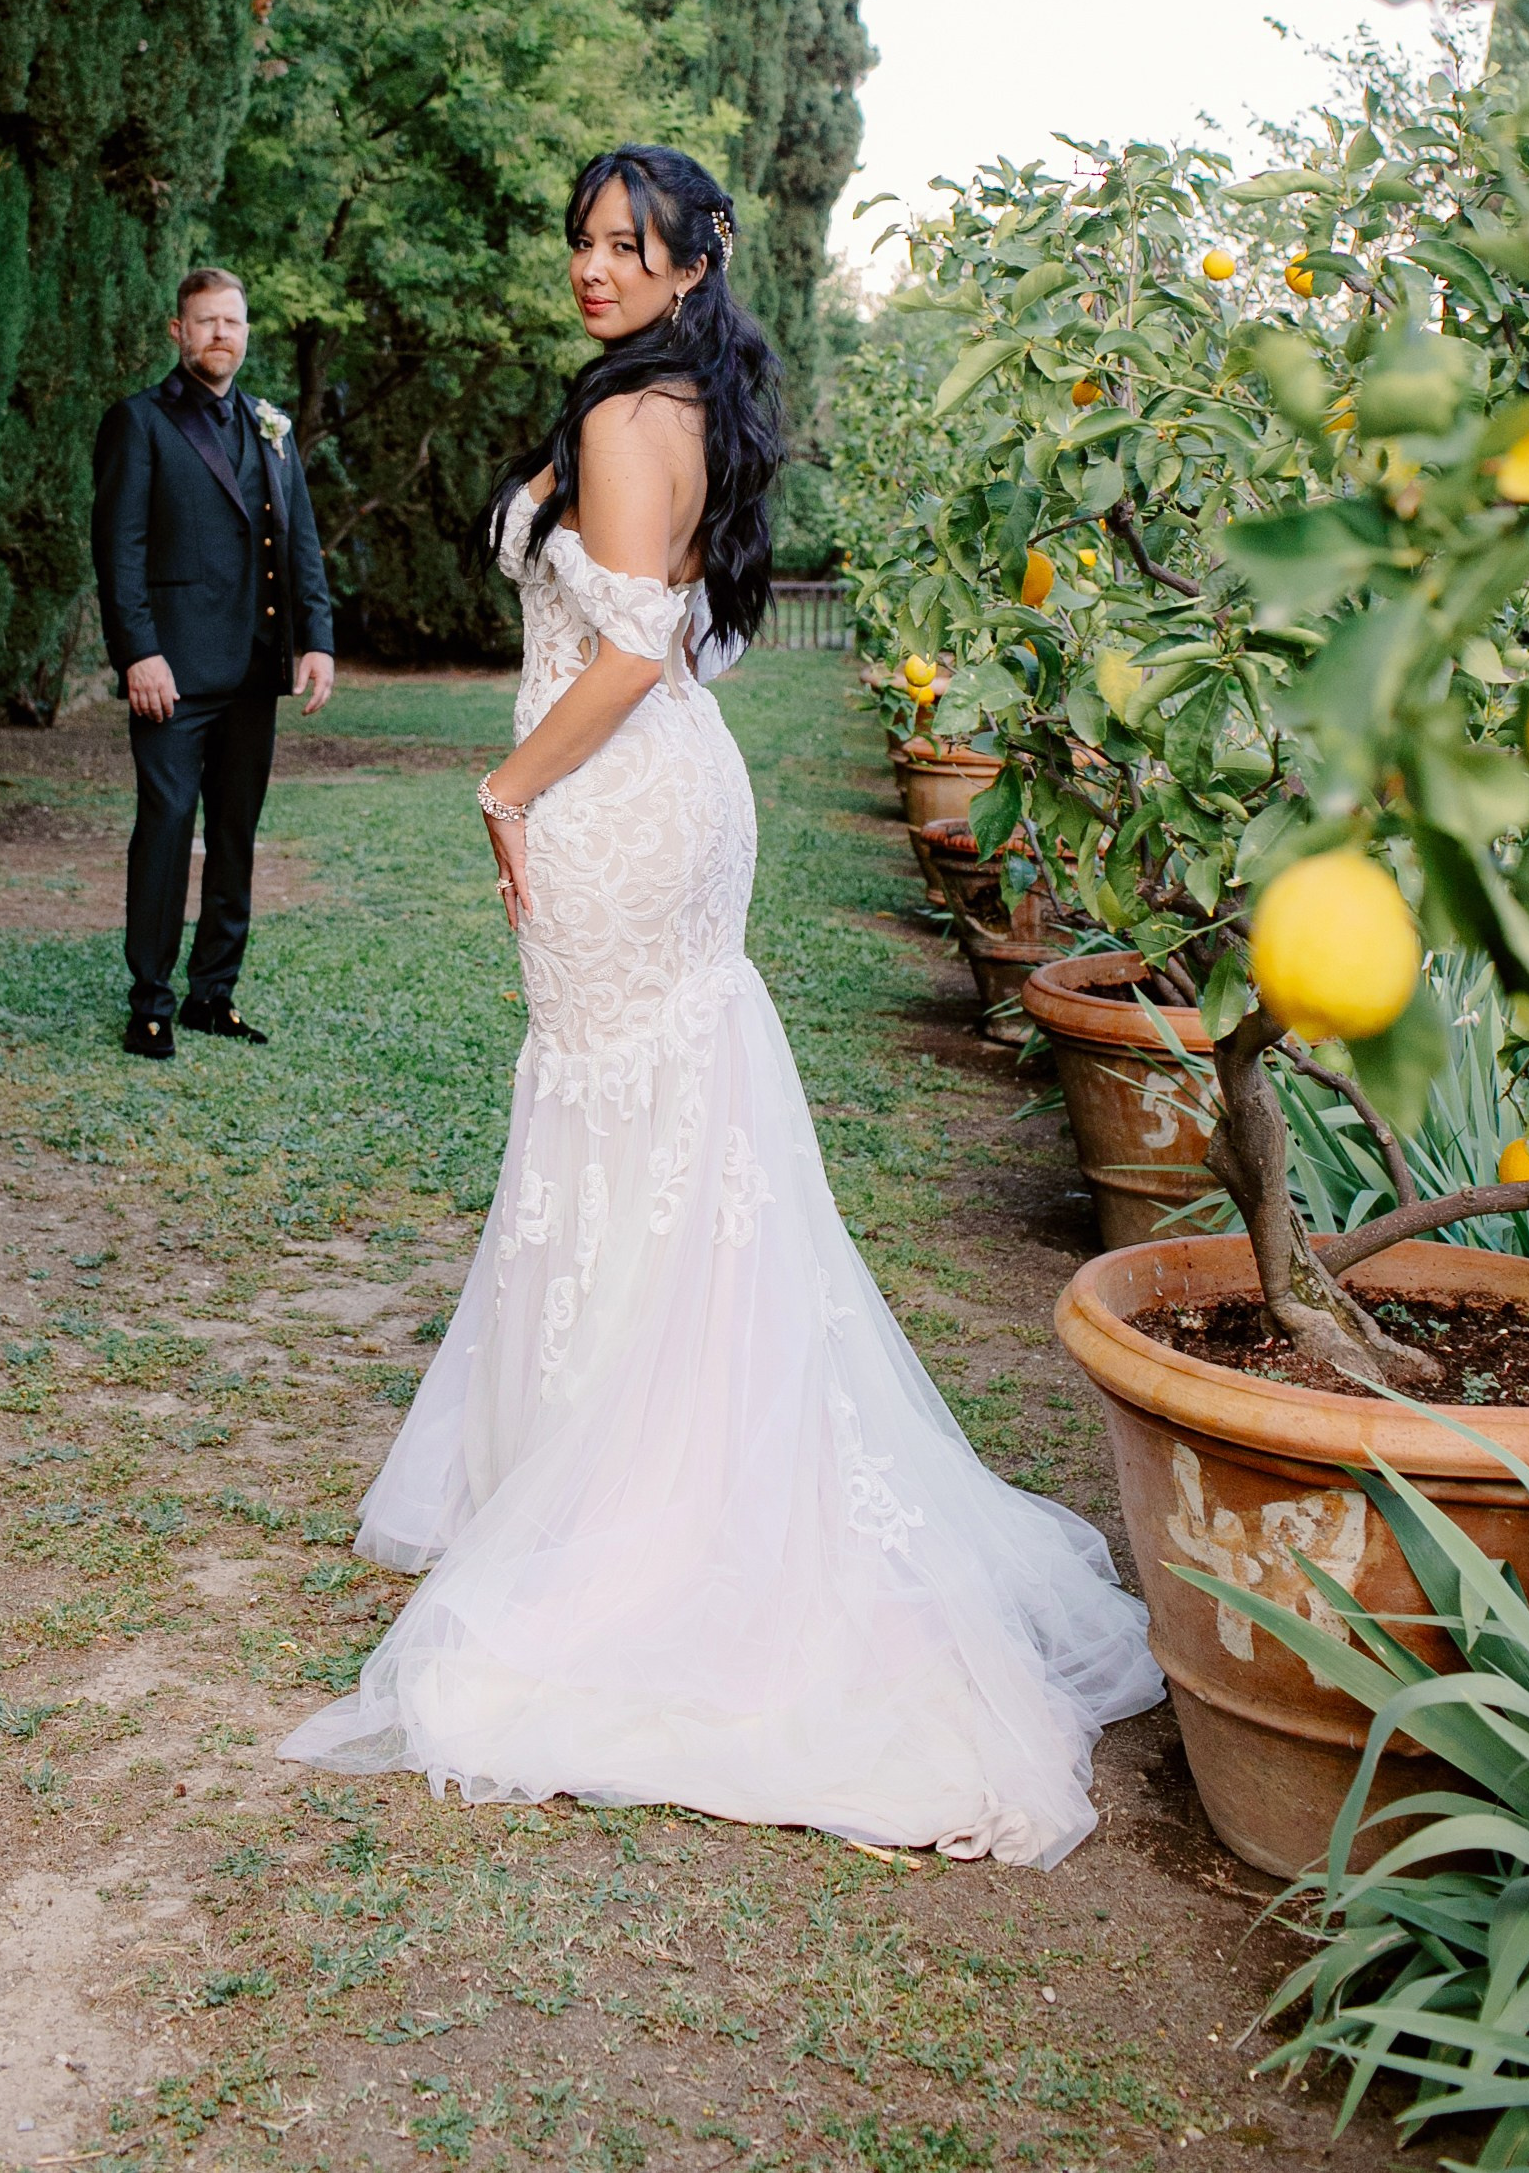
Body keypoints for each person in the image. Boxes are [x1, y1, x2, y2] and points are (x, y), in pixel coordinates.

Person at [281, 147, 1160, 1862]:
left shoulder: (625, 421)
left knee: (626, 1098)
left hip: (612, 795)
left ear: (689, 266)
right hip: (665, 792)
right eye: (581, 240)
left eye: (626, 245)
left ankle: (634, 1502)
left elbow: (619, 657)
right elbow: (683, 638)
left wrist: (505, 790)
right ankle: (604, 1456)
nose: (591, 266)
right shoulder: (682, 401)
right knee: (640, 1106)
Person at [91, 266, 335, 1058]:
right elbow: (119, 552)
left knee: (236, 836)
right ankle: (151, 1004)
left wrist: (318, 640)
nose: (219, 335)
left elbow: (299, 542)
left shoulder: (271, 425)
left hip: (254, 673)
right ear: (178, 331)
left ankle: (213, 995)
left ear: (245, 331)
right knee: (164, 831)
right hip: (172, 674)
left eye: (232, 322)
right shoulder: (140, 422)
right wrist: (138, 654)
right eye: (205, 322)